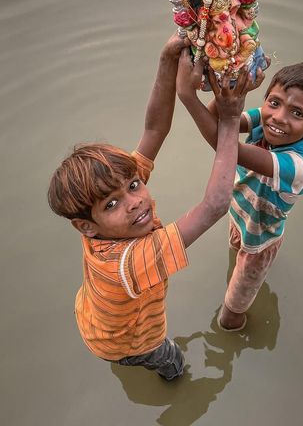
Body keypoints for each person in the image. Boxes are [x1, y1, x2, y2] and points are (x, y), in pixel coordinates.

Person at [47, 35, 254, 380]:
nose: (136, 201)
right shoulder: (130, 262)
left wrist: (167, 59)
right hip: (126, 342)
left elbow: (154, 128)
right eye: (113, 203)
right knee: (169, 359)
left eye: (133, 184)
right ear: (85, 226)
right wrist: (230, 121)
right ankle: (173, 378)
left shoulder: (108, 215)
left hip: (97, 314)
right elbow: (216, 205)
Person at [177, 59, 303, 331]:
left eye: (297, 113)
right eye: (274, 103)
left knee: (230, 313)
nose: (279, 118)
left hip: (261, 241)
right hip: (240, 217)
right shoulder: (264, 119)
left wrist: (187, 96)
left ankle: (233, 329)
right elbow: (218, 119)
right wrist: (225, 91)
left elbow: (225, 144)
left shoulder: (297, 166)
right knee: (234, 256)